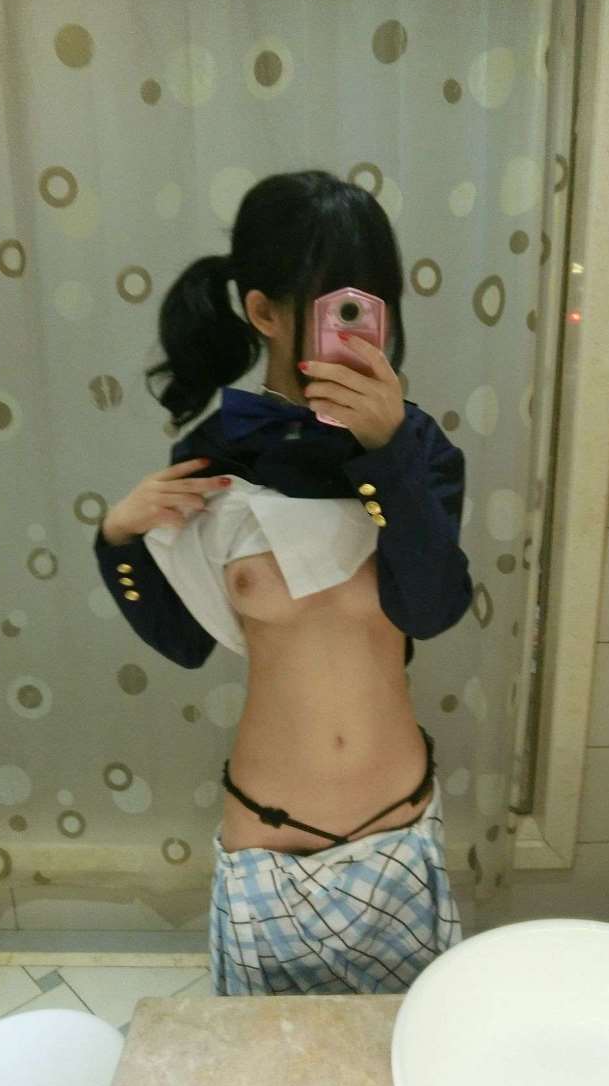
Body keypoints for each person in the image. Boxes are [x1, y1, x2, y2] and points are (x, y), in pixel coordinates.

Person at [94, 169, 473, 995]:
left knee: (402, 1065)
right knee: (266, 1070)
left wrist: (389, 455)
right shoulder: (215, 456)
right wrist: (117, 543)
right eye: (336, 306)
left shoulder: (421, 454)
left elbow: (431, 607)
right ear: (264, 312)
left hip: (401, 826)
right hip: (267, 837)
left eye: (371, 306)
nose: (359, 329)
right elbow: (185, 641)